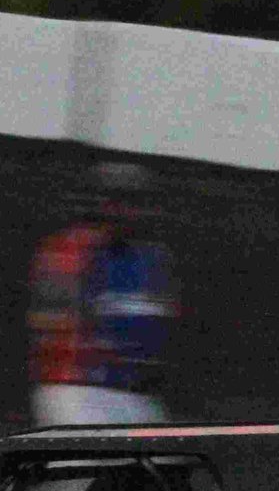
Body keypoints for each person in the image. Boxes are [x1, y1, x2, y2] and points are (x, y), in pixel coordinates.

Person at [28, 161, 176, 427]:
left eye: (136, 201)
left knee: (168, 461)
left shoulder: (152, 257)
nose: (126, 209)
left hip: (135, 393)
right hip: (76, 389)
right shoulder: (70, 249)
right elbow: (54, 326)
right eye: (116, 199)